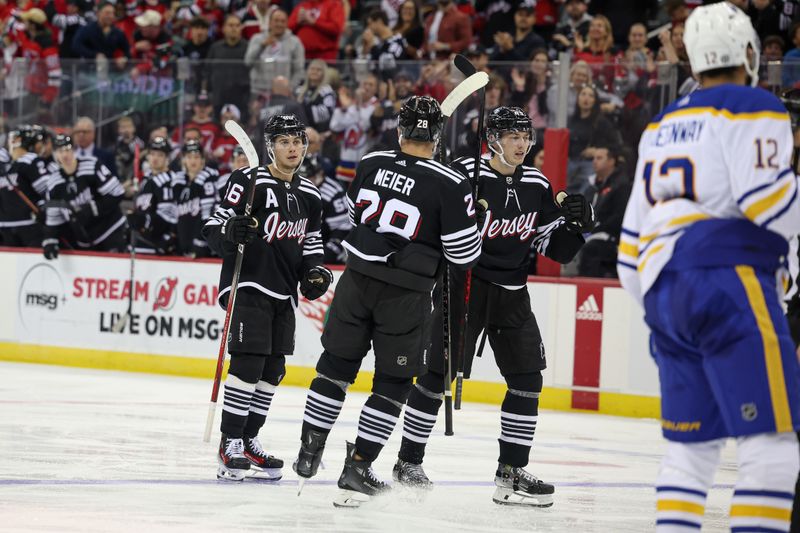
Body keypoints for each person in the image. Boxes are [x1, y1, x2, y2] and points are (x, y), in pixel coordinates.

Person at [617, 5, 800, 532]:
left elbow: (630, 250)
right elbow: (769, 202)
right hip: (726, 279)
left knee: (690, 452)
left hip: (660, 289)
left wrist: (667, 303)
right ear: (747, 52)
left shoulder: (660, 124)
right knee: (772, 446)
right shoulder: (752, 103)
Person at [394, 107, 591, 506]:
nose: (521, 144)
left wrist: (577, 225)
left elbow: (552, 248)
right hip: (464, 284)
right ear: (494, 139)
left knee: (528, 380)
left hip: (513, 292)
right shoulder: (466, 173)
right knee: (436, 375)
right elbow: (433, 223)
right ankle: (407, 461)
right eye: (513, 136)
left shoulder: (536, 184)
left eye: (525, 136)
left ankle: (511, 472)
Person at [292, 96, 482, 507]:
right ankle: (358, 467)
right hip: (405, 295)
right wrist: (471, 217)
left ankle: (310, 450)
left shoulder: (370, 163)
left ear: (400, 130)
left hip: (355, 282)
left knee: (335, 367)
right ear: (436, 136)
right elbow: (464, 256)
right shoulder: (451, 182)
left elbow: (355, 216)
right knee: (393, 383)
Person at [202, 114, 330, 481]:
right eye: (284, 142)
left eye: (297, 142)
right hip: (249, 284)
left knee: (273, 370)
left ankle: (249, 439)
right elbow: (213, 226)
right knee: (248, 363)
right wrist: (232, 230)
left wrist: (315, 272)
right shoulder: (248, 180)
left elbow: (312, 243)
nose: (293, 149)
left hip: (284, 291)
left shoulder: (310, 193)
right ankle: (230, 444)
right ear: (269, 146)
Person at [43, 134, 127, 258]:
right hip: (85, 241)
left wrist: (93, 208)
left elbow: (118, 192)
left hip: (110, 231)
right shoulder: (53, 183)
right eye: (60, 151)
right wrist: (50, 241)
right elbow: (54, 219)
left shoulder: (92, 166)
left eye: (67, 150)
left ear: (74, 150)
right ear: (55, 154)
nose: (65, 155)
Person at [576, 144, 630, 278]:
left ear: (611, 161)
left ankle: (586, 288)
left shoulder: (621, 185)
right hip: (593, 233)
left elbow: (619, 217)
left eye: (599, 158)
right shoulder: (593, 186)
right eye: (594, 158)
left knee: (591, 249)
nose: (594, 161)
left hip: (612, 238)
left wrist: (596, 229)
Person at [0, 126, 50, 247]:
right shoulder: (5, 163)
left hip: (29, 227)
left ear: (17, 140)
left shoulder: (29, 161)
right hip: (4, 227)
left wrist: (44, 209)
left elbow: (48, 191)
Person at [128, 136, 177, 254]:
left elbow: (168, 218)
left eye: (160, 155)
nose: (155, 158)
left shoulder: (169, 181)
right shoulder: (146, 179)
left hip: (157, 245)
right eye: (152, 154)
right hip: (141, 241)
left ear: (167, 159)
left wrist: (144, 220)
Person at [173, 139, 220, 258]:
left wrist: (200, 242)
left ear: (203, 160)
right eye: (189, 157)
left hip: (203, 248)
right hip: (184, 244)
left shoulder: (209, 178)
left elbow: (209, 215)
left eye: (196, 157)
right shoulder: (178, 181)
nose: (193, 161)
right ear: (183, 160)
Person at [244, 8, 305, 98]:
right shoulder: (257, 39)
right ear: (269, 22)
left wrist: (289, 88)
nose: (279, 24)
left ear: (287, 23)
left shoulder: (295, 42)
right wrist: (262, 46)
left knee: (281, 113)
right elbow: (248, 62)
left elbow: (299, 70)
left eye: (283, 21)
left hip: (284, 94)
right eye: (276, 21)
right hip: (259, 93)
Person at [296, 59, 337, 135]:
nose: (314, 72)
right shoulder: (300, 90)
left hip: (320, 133)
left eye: (318, 70)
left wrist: (303, 109)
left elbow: (327, 113)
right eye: (312, 69)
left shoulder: (327, 90)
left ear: (324, 73)